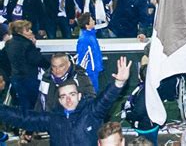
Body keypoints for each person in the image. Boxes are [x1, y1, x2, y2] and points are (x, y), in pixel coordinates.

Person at [0, 56, 131, 146]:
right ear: (59, 100)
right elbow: (23, 117)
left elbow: (105, 99)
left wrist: (119, 82)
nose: (68, 99)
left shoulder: (91, 112)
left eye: (72, 94)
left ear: (79, 96)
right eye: (63, 96)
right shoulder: (52, 119)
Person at [4, 20, 49, 110]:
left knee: (24, 105)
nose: (31, 31)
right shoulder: (27, 45)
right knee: (34, 105)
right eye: (28, 30)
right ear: (19, 32)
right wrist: (50, 65)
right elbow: (38, 60)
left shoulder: (9, 43)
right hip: (29, 79)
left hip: (16, 78)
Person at [123, 65, 159, 146]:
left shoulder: (143, 92)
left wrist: (128, 115)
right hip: (152, 124)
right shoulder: (153, 87)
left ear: (139, 76)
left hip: (146, 127)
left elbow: (138, 113)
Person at [76, 13, 103, 92]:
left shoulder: (91, 35)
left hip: (95, 70)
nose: (94, 21)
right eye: (91, 20)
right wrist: (85, 71)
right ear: (87, 25)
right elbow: (82, 57)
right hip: (90, 72)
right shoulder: (84, 39)